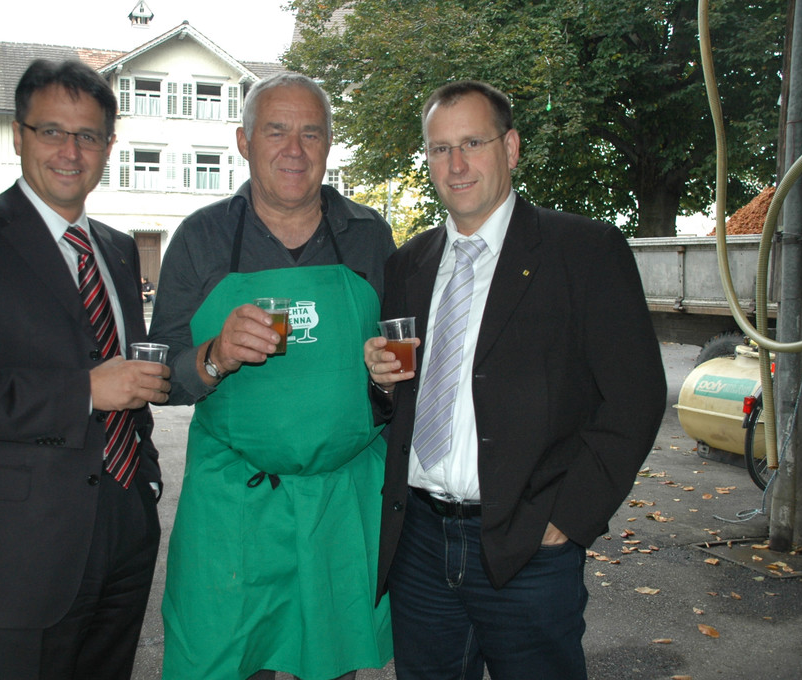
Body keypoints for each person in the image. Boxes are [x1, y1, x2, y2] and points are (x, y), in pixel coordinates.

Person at [364, 80, 666, 679]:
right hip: (420, 543)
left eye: (472, 143)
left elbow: (635, 398)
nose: (456, 164)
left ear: (511, 147)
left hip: (529, 548)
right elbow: (399, 403)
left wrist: (569, 519)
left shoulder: (584, 250)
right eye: (440, 148)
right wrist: (383, 386)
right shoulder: (408, 263)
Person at [0, 59, 169, 680]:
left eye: (88, 136)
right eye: (51, 131)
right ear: (19, 136)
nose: (71, 152)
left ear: (108, 147)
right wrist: (83, 391)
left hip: (122, 531)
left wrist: (145, 486)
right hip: (11, 552)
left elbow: (130, 379)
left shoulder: (118, 249)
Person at [149, 72, 395, 680]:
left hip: (341, 502)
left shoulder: (369, 236)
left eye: (311, 133)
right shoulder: (202, 238)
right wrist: (214, 354)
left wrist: (389, 381)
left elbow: (401, 360)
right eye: (276, 131)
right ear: (244, 141)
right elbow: (162, 376)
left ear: (329, 144)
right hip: (235, 502)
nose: (295, 149)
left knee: (332, 666)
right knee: (237, 662)